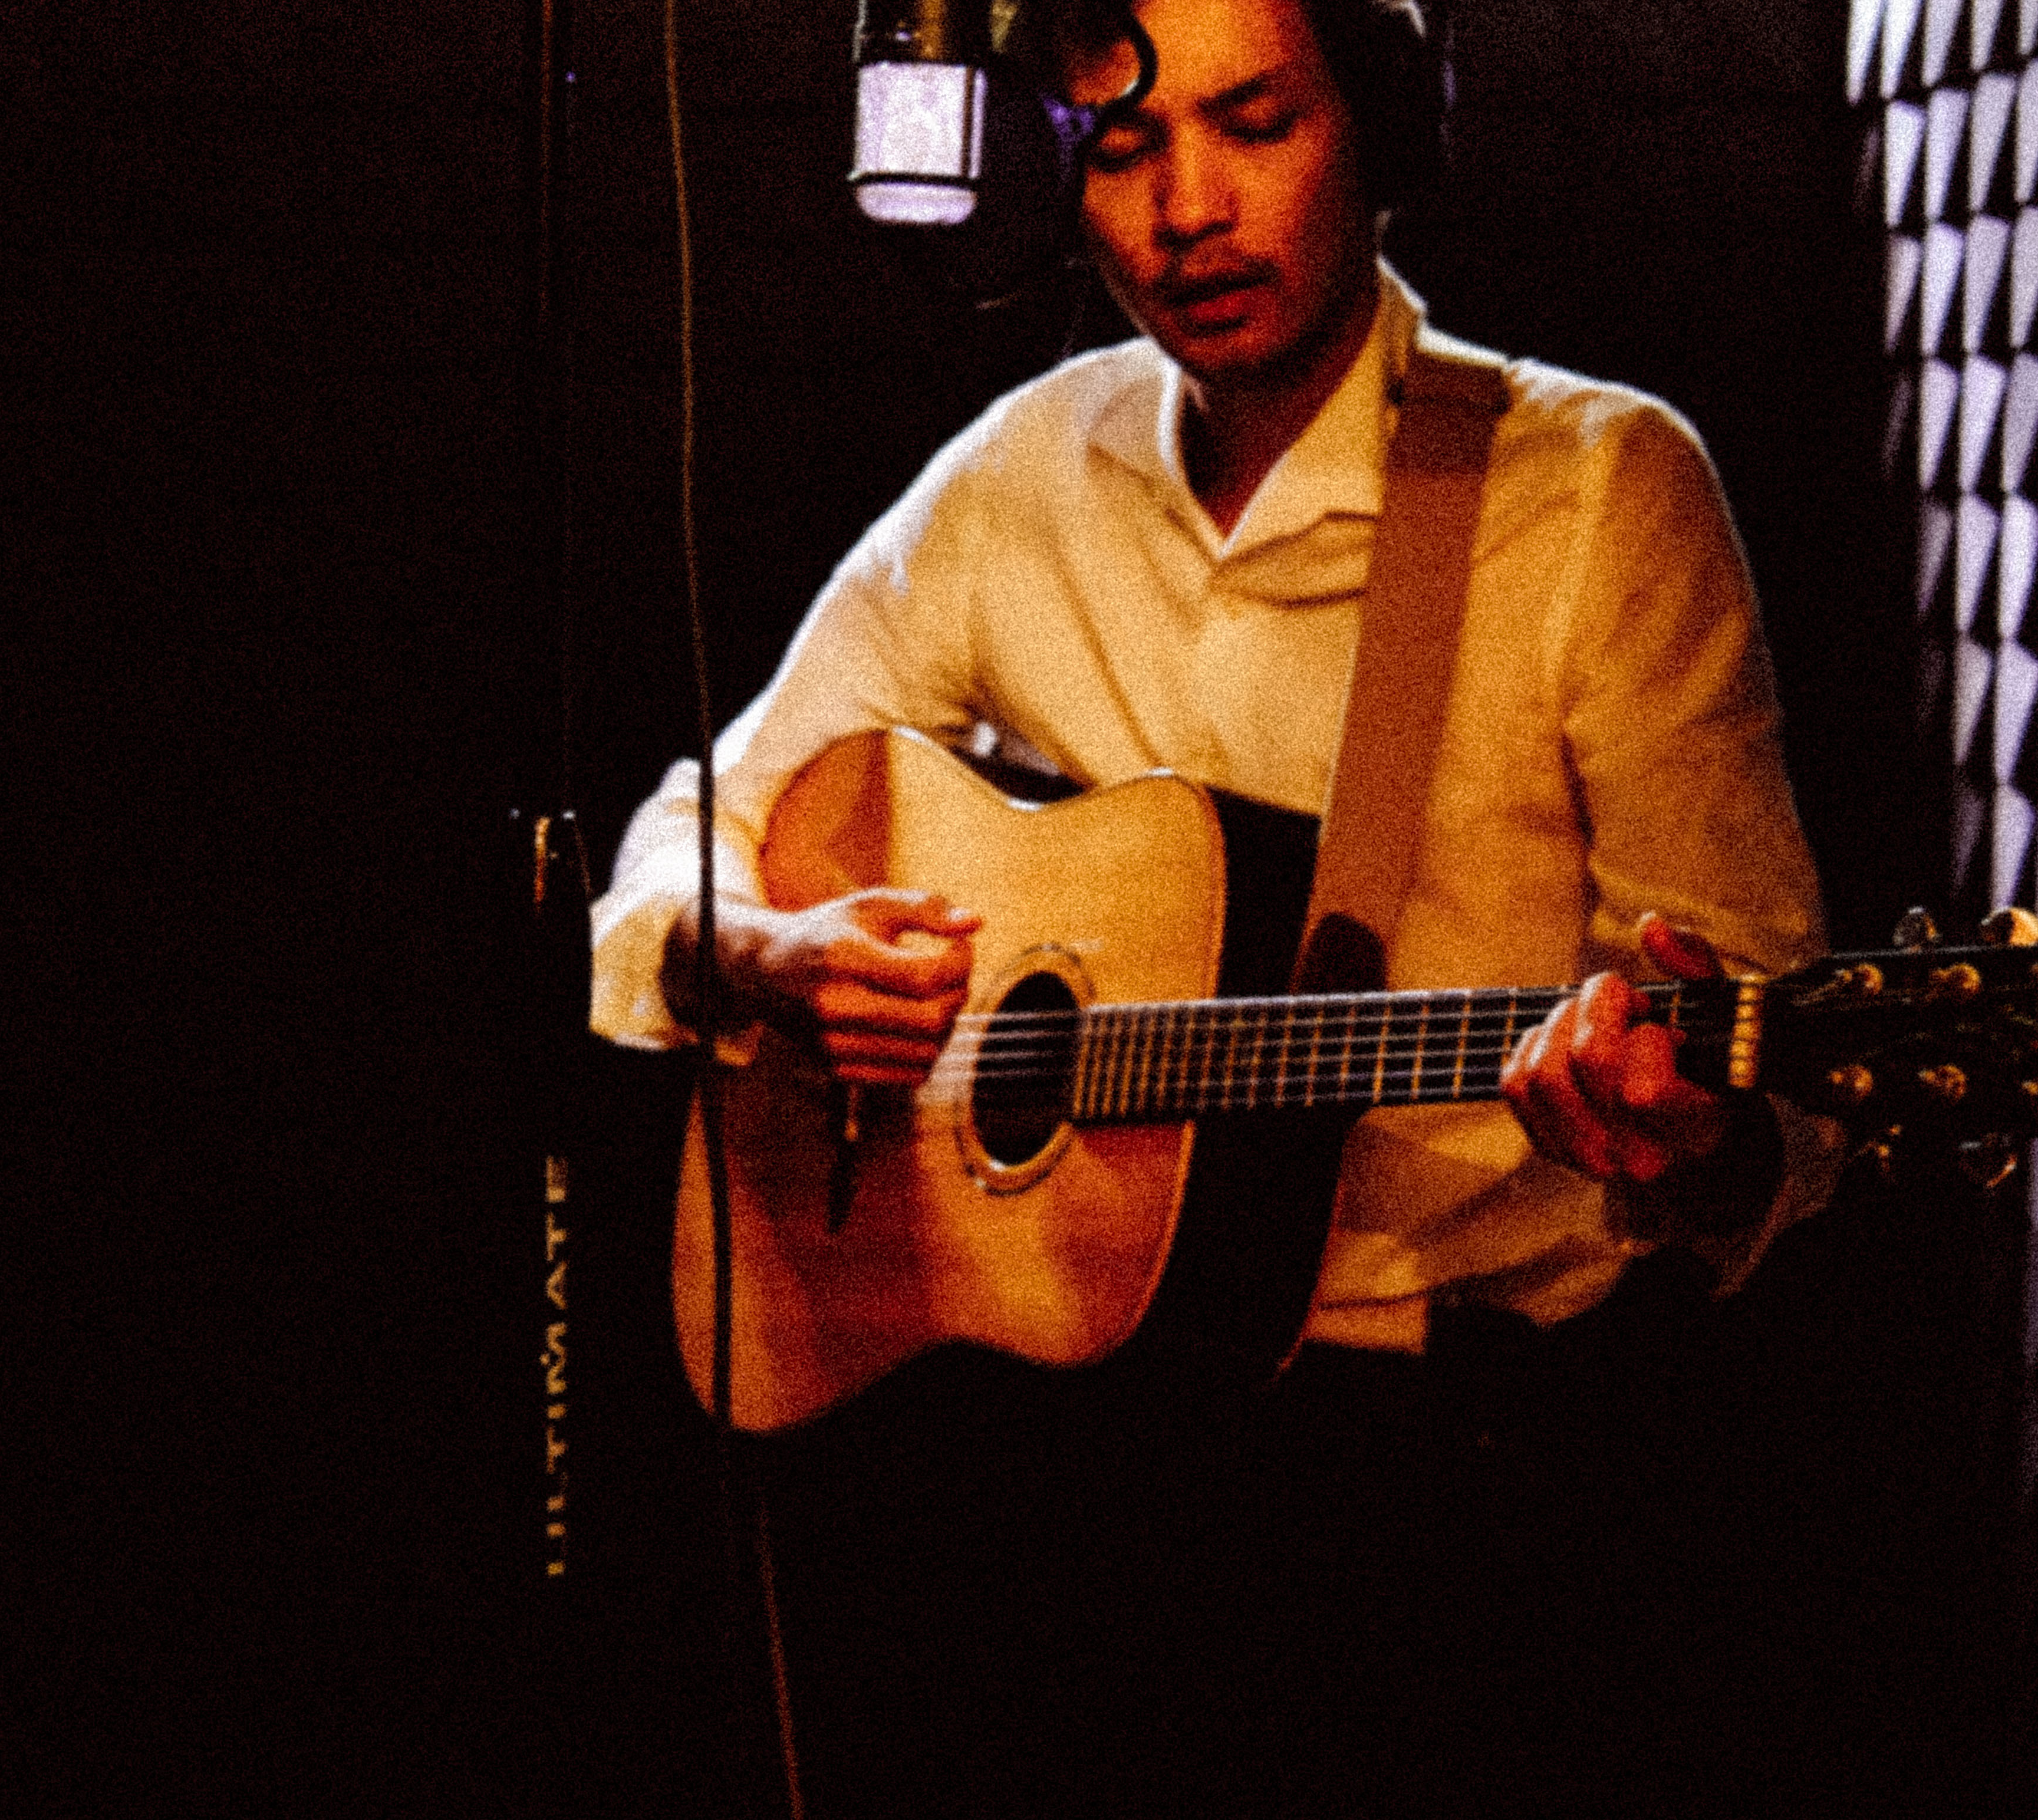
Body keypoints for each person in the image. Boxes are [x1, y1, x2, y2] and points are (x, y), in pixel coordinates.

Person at [590, 0, 1842, 1809]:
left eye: (1256, 123)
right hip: (1061, 1480)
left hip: (1461, 1489)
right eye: (1123, 147)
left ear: (1381, 123)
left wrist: (1697, 1136)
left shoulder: (1593, 491)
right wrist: (766, 954)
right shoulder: (1028, 471)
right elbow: (693, 829)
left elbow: (1771, 1063)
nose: (1188, 208)